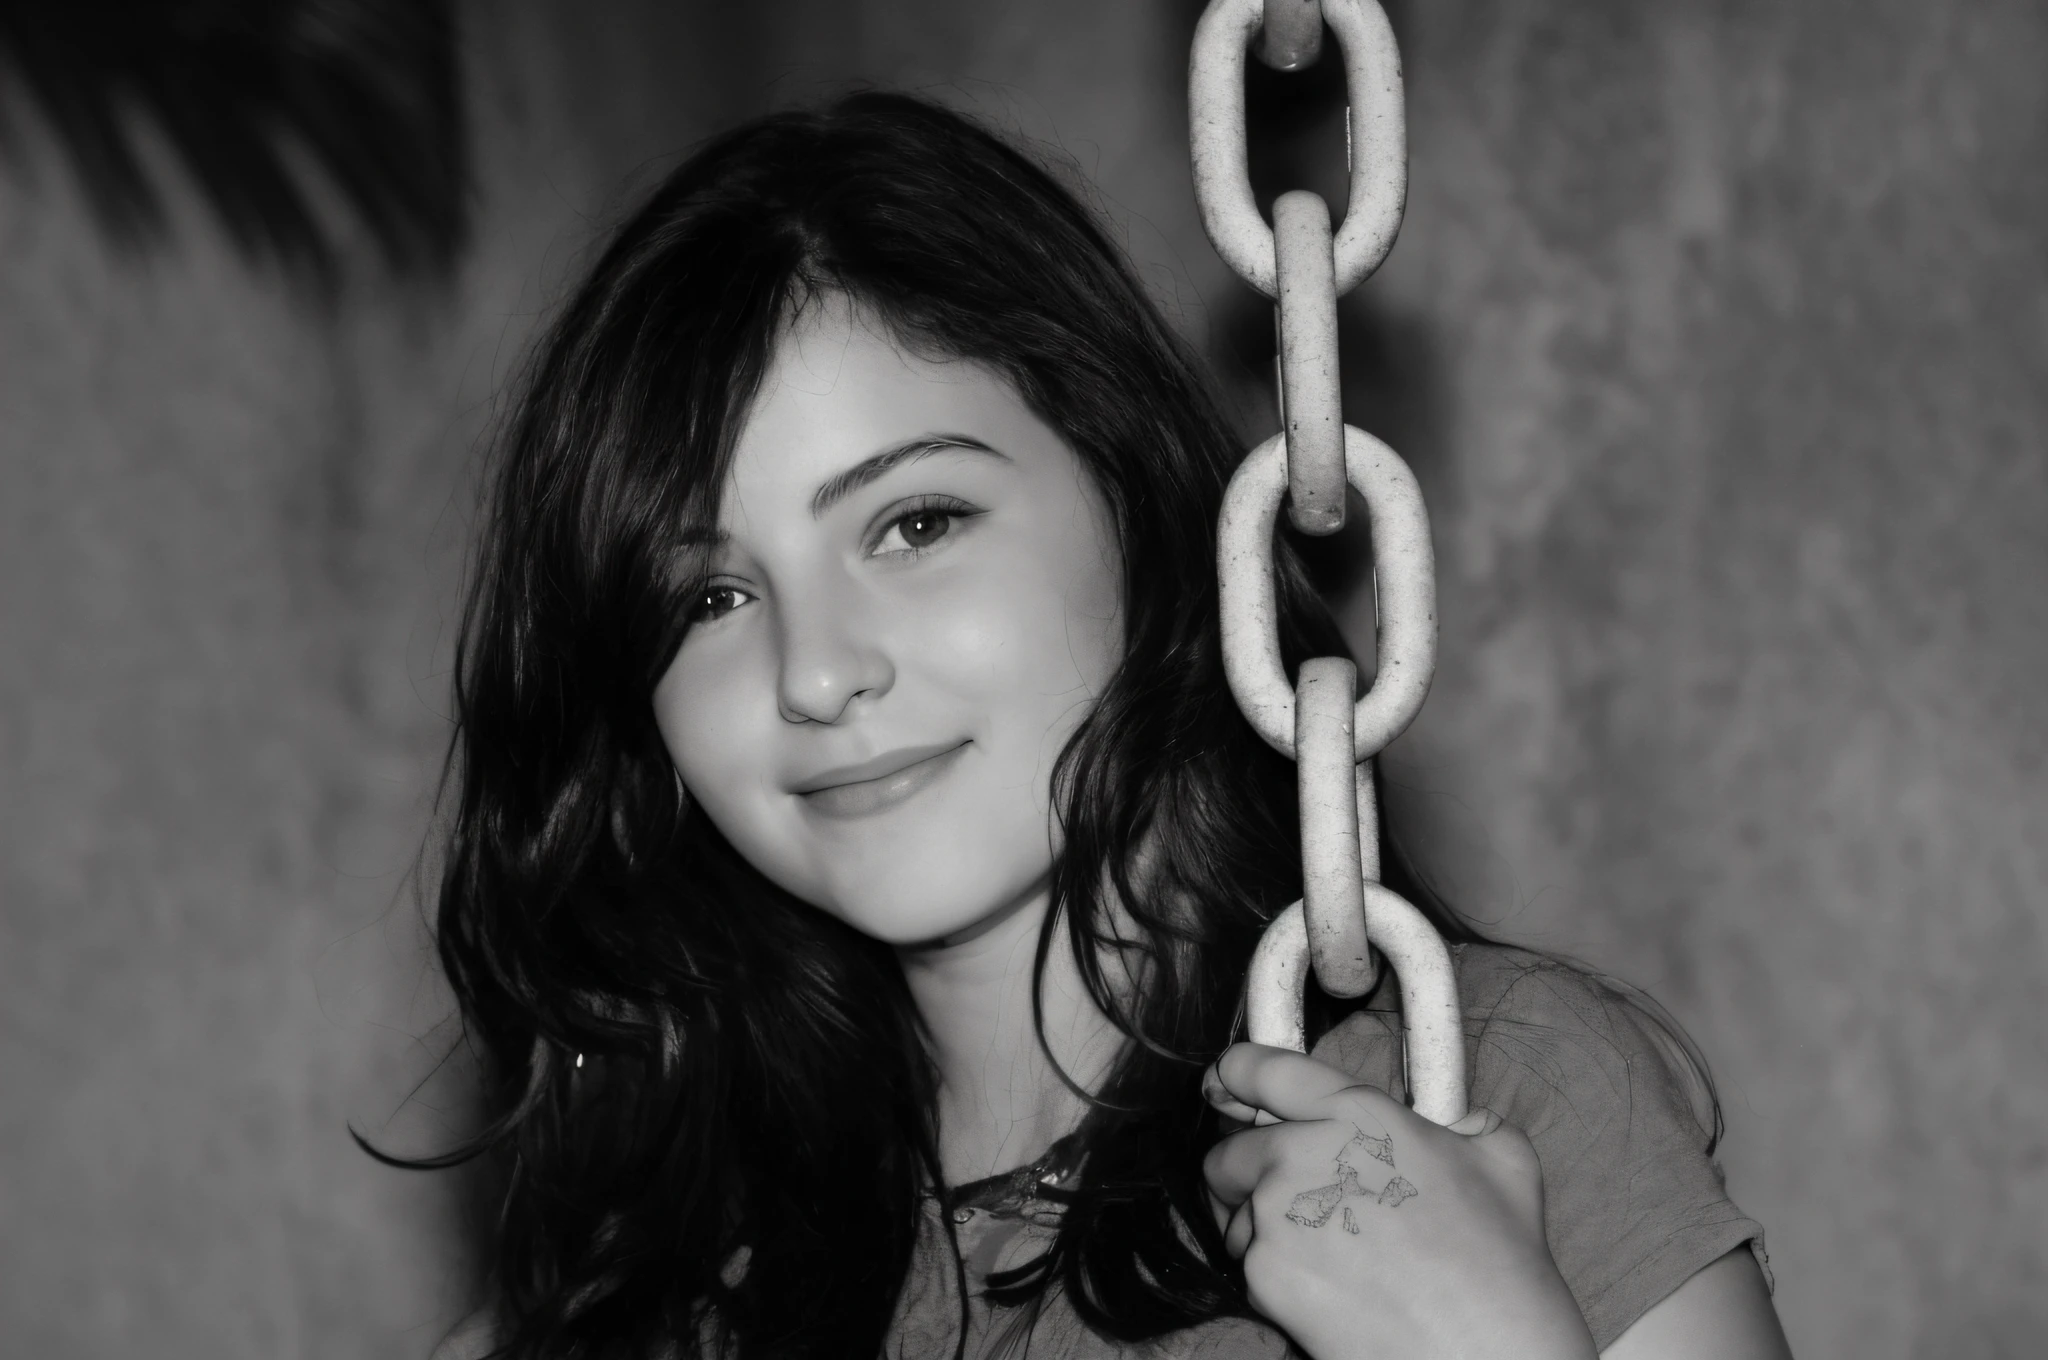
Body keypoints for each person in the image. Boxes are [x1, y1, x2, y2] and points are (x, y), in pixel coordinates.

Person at [422, 91, 1791, 1359]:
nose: (817, 672)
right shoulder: (650, 1291)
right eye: (710, 593)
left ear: (1130, 499)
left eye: (915, 523)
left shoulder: (1486, 1103)